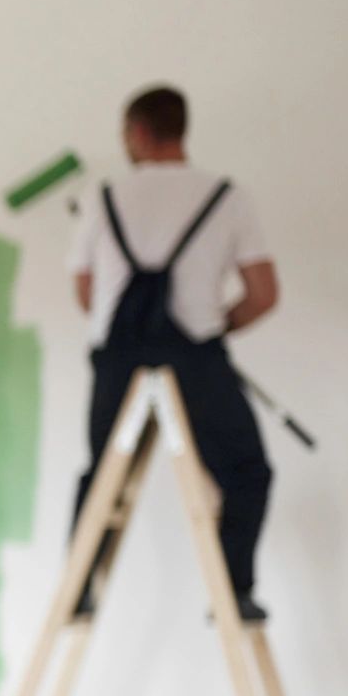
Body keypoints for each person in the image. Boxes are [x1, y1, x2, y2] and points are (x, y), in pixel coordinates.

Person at [70, 84, 281, 620]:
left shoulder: (103, 196)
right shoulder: (227, 196)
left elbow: (87, 294)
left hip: (117, 363)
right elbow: (263, 295)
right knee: (246, 472)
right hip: (196, 361)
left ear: (138, 132)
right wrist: (212, 327)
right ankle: (232, 591)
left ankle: (77, 589)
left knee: (103, 476)